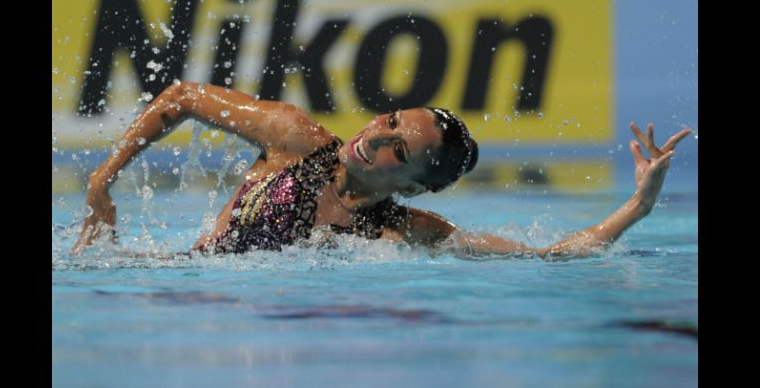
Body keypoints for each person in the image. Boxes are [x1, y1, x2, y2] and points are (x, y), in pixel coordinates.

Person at [70, 81, 691, 258]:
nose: (375, 137)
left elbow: (549, 256)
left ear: (417, 184)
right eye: (390, 121)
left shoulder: (406, 232)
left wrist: (636, 208)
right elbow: (179, 99)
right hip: (185, 283)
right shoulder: (294, 139)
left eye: (400, 148)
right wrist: (104, 179)